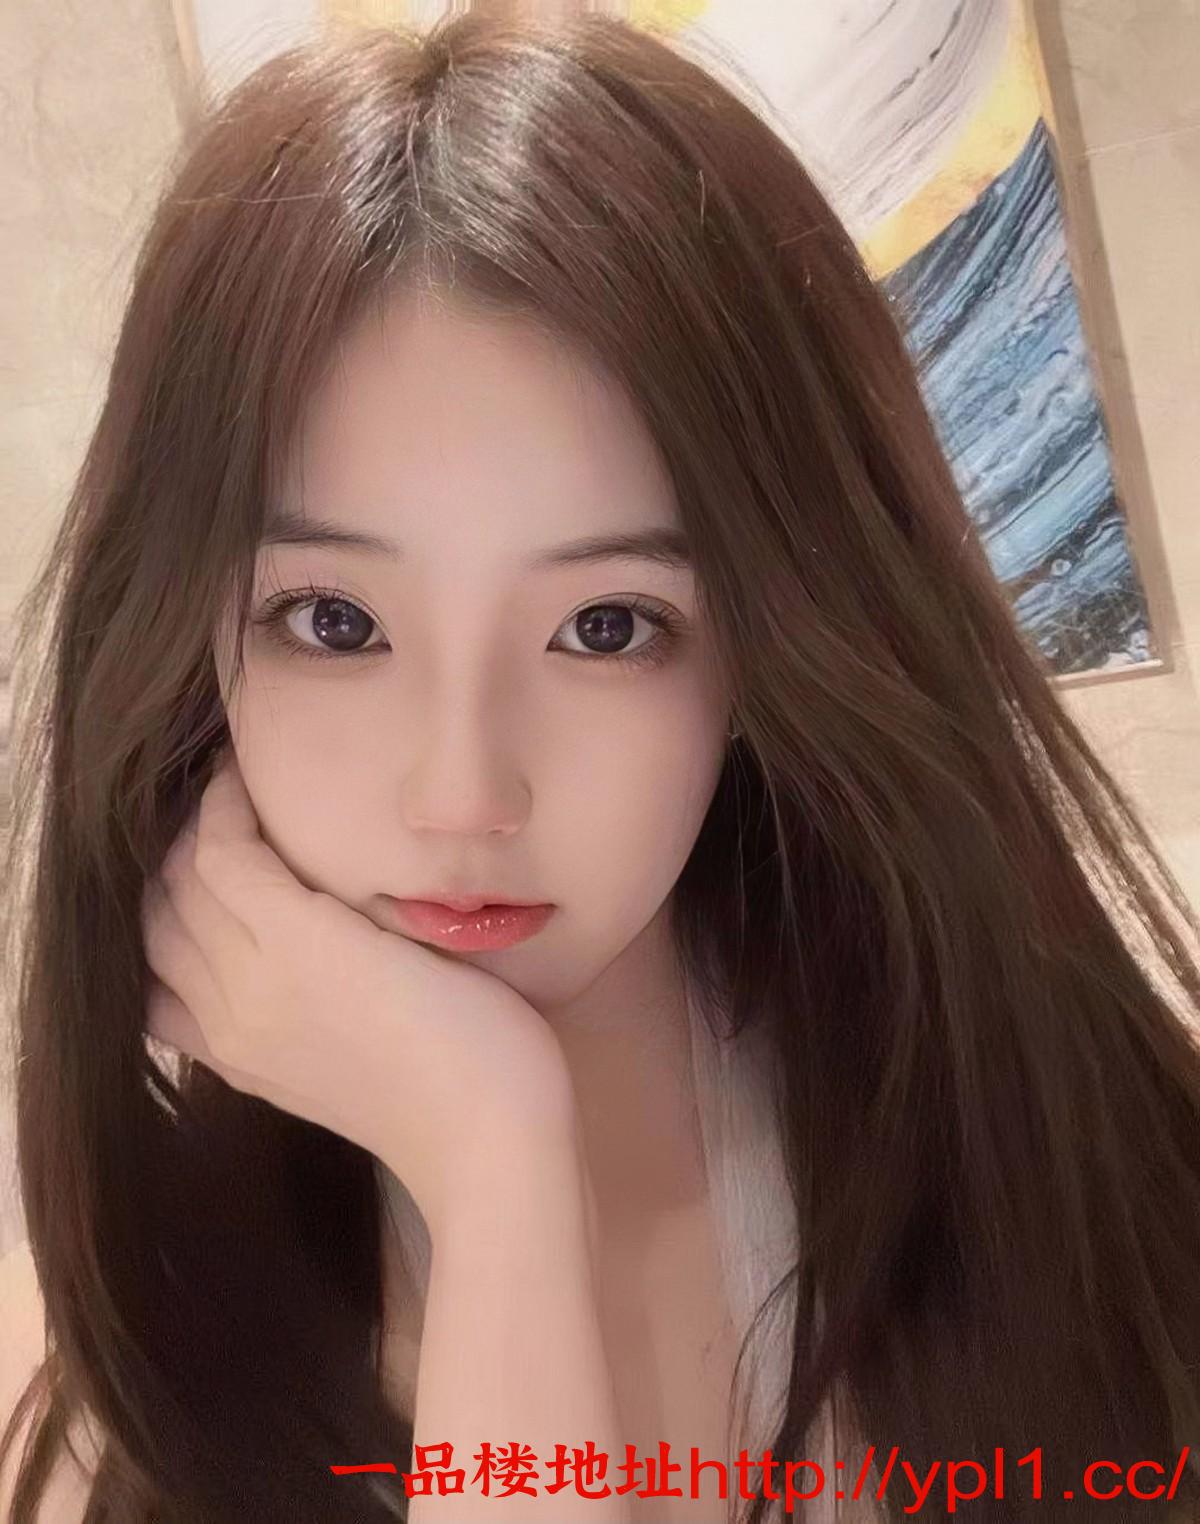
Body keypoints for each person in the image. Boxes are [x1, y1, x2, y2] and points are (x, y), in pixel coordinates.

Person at [2, 10, 1199, 1523]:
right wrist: (494, 1173)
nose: (463, 795)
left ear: (763, 653)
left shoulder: (1103, 1204)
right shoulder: (108, 1374)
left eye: (607, 625)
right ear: (192, 651)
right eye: (335, 621)